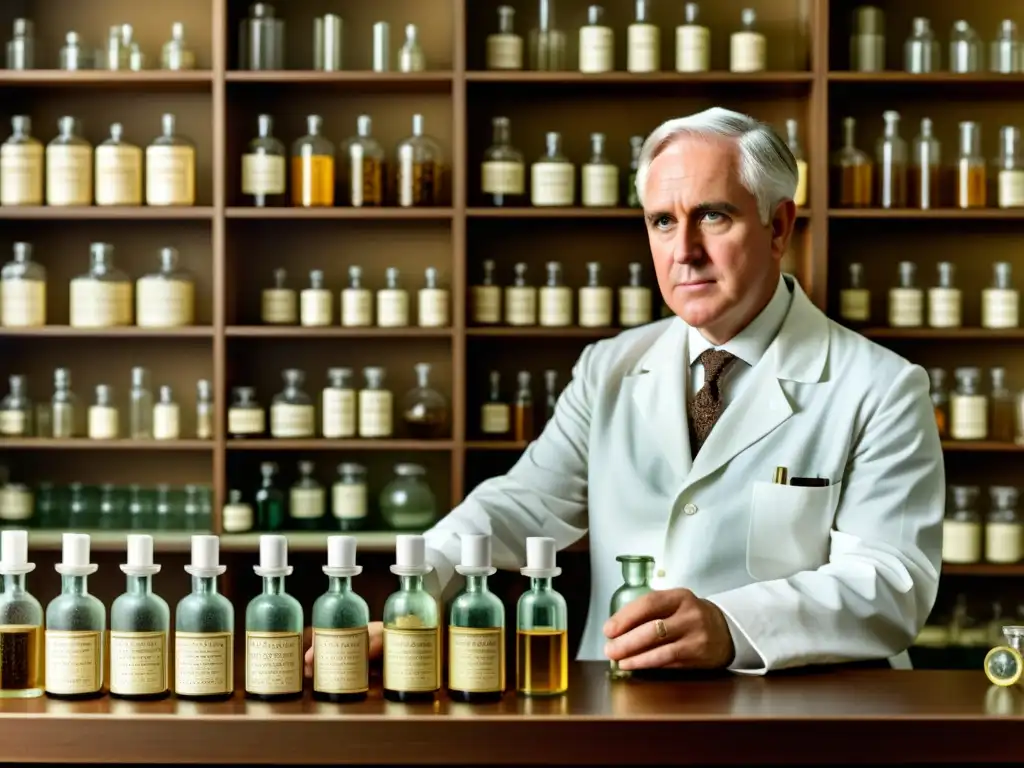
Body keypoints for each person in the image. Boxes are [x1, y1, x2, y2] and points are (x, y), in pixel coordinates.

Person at [304, 106, 944, 678]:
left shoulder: (880, 387)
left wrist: (730, 626)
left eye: (712, 216)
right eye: (663, 221)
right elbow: (523, 505)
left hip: (789, 718)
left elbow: (890, 584)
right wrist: (416, 589)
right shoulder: (610, 366)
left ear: (779, 226)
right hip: (613, 707)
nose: (684, 251)